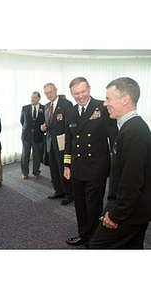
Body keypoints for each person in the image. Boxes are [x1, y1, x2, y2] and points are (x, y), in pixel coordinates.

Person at [89, 77, 151, 249]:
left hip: (128, 213)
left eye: (108, 99)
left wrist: (116, 215)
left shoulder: (133, 133)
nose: (105, 103)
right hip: (136, 211)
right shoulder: (130, 127)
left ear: (125, 100)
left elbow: (131, 182)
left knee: (96, 247)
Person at [64, 77, 118, 246]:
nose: (80, 96)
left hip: (96, 167)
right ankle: (84, 234)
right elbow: (68, 141)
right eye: (76, 93)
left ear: (89, 88)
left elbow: (114, 139)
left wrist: (118, 165)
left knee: (93, 206)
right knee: (80, 205)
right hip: (77, 166)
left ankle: (94, 239)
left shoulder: (102, 107)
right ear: (72, 94)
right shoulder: (70, 112)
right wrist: (67, 164)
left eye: (83, 91)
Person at [41, 83, 74, 205]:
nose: (49, 95)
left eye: (51, 92)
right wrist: (43, 127)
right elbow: (48, 123)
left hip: (62, 141)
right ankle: (58, 190)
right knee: (54, 168)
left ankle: (69, 193)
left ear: (56, 90)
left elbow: (69, 124)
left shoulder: (66, 104)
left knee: (63, 168)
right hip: (50, 141)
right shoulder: (46, 106)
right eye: (46, 93)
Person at [20, 92, 45, 180]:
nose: (32, 99)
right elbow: (22, 121)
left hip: (38, 135)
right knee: (25, 155)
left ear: (39, 99)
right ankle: (25, 172)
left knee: (37, 155)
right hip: (26, 135)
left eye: (34, 97)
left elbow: (45, 121)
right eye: (31, 97)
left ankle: (36, 171)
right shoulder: (25, 108)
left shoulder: (44, 108)